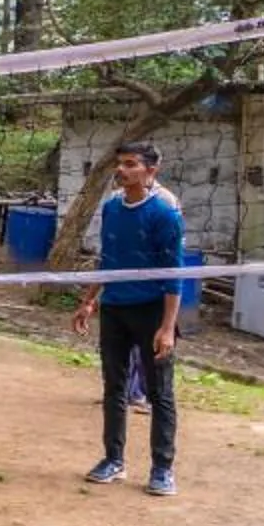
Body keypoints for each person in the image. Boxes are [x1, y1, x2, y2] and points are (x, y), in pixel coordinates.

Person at [73, 140, 184, 495]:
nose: (121, 170)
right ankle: (113, 460)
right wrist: (89, 301)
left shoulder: (164, 214)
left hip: (151, 310)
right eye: (120, 163)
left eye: (131, 164)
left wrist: (167, 328)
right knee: (114, 387)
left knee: (159, 392)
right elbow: (108, 259)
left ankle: (162, 468)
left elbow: (173, 273)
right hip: (115, 308)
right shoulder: (111, 208)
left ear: (151, 170)